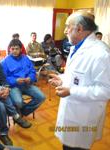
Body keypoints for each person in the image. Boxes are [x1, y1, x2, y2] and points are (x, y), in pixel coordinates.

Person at [48, 11, 110, 150]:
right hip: (72, 112)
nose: (64, 31)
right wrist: (62, 79)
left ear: (80, 29)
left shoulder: (101, 53)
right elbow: (78, 77)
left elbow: (105, 90)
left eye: (67, 26)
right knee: (67, 146)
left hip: (83, 117)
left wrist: (71, 91)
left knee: (76, 147)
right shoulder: (76, 47)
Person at [1, 39, 45, 116]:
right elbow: (3, 78)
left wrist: (30, 78)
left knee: (41, 97)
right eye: (12, 49)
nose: (14, 51)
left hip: (27, 84)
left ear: (21, 49)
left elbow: (32, 71)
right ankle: (19, 110)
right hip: (14, 87)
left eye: (17, 49)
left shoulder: (26, 58)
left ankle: (23, 111)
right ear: (9, 49)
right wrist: (15, 80)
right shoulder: (5, 61)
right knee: (18, 102)